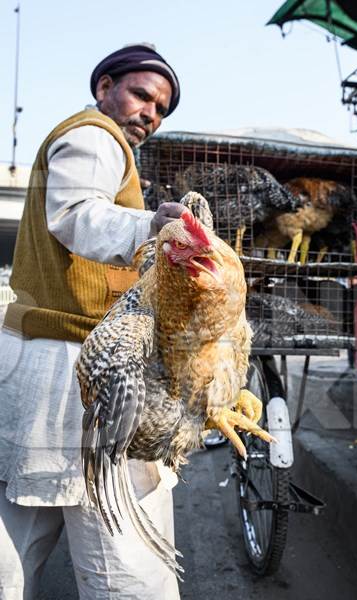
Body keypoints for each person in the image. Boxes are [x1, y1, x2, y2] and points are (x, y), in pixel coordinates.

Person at [0, 44, 185, 600]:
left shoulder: (99, 145)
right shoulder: (93, 135)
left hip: (43, 366)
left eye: (161, 109)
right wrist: (151, 225)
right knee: (123, 558)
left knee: (16, 547)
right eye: (142, 95)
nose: (150, 114)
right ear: (104, 86)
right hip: (76, 370)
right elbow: (77, 213)